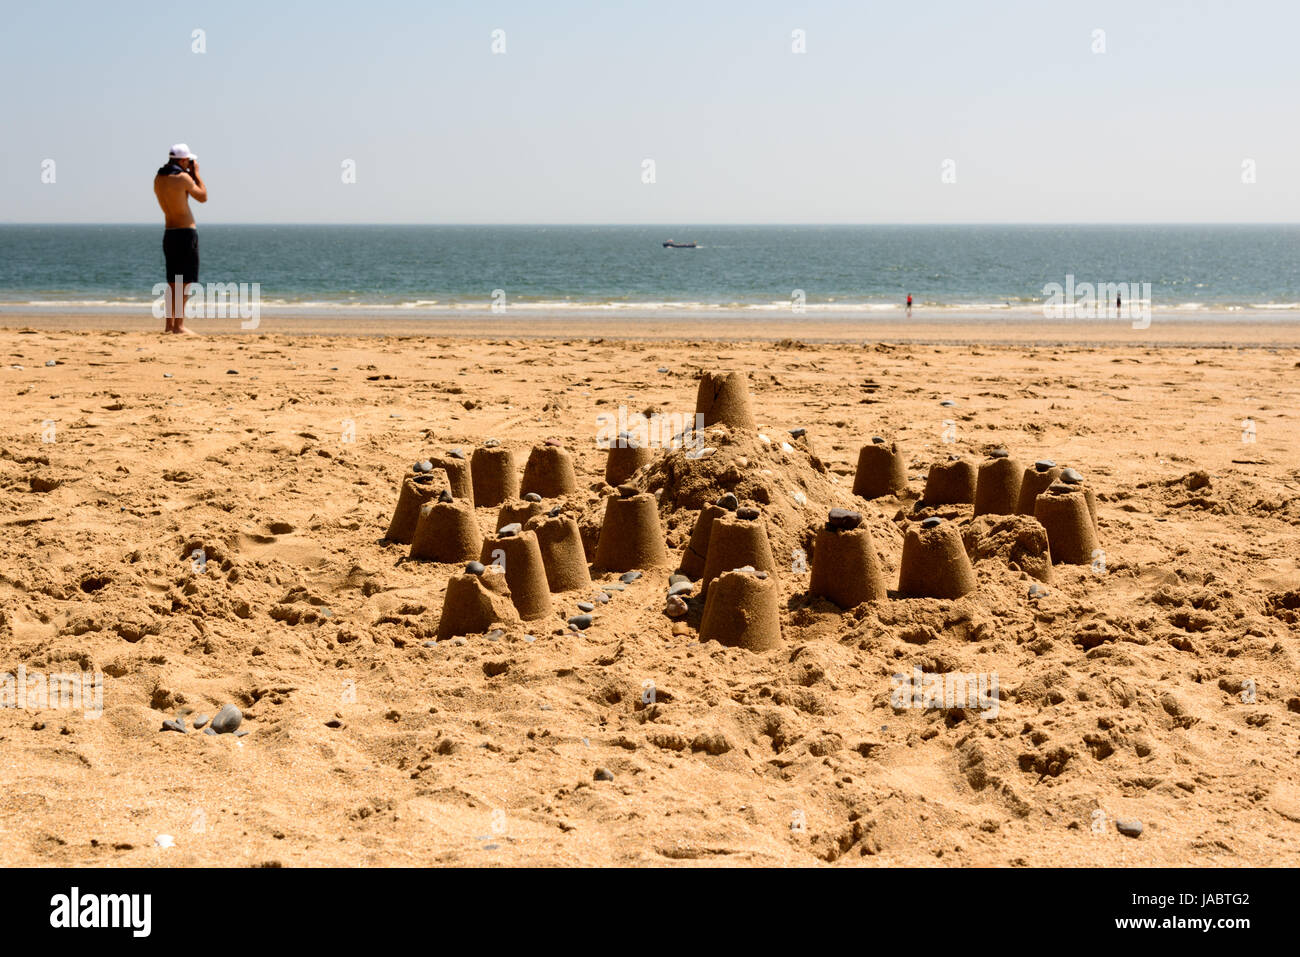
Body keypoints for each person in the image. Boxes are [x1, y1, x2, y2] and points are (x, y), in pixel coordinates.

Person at [153, 144, 207, 334]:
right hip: (185, 232)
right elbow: (203, 196)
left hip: (170, 233)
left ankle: (169, 325)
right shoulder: (183, 178)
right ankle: (179, 326)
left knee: (172, 283)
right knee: (184, 283)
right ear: (183, 161)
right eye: (188, 161)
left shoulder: (159, 179)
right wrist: (196, 173)